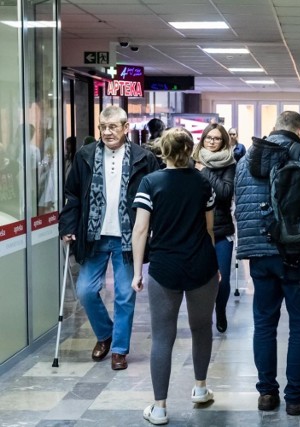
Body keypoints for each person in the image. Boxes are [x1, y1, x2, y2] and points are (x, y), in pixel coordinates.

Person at [234, 111, 300, 415]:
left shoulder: (245, 160)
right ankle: (296, 396)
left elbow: (241, 204)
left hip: (260, 255)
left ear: (274, 128)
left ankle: (266, 394)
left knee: (264, 324)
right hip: (298, 251)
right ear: (298, 130)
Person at [59, 105, 159, 371]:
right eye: (103, 127)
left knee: (125, 294)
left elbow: (155, 196)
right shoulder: (85, 156)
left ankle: (119, 349)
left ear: (126, 128)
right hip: (94, 235)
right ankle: (105, 334)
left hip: (128, 236)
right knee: (85, 290)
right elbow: (73, 194)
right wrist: (67, 225)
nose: (107, 132)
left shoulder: (143, 158)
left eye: (113, 126)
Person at [130, 127, 219, 425]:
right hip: (201, 265)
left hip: (164, 267)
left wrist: (137, 271)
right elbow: (209, 229)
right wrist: (216, 265)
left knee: (162, 336)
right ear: (190, 150)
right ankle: (200, 388)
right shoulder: (204, 184)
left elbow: (141, 230)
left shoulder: (150, 183)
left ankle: (159, 408)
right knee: (201, 328)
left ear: (163, 151)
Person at [192, 123, 236, 333]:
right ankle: (203, 316)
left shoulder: (229, 163)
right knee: (200, 278)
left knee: (223, 279)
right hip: (197, 230)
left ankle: (220, 310)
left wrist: (206, 170)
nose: (212, 141)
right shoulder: (192, 161)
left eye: (217, 138)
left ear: (224, 141)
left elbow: (225, 192)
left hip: (221, 229)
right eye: (209, 137)